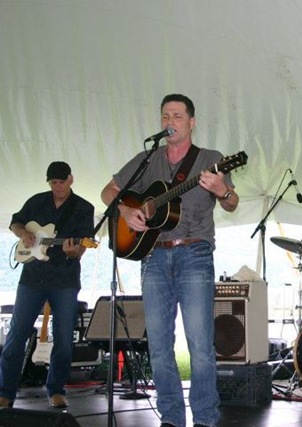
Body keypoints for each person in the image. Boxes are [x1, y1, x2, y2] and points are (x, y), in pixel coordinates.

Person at [101, 94, 239, 427]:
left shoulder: (210, 159)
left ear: (191, 122)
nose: (170, 121)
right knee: (159, 345)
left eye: (177, 116)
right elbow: (109, 191)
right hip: (153, 256)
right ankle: (172, 418)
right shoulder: (147, 160)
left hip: (194, 253)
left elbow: (232, 203)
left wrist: (222, 190)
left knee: (200, 344)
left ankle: (205, 418)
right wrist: (127, 211)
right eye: (165, 115)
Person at [0, 161, 94, 409]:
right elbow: (15, 222)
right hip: (32, 277)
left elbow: (83, 246)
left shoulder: (84, 208)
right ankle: (6, 392)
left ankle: (56, 390)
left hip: (65, 279)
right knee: (17, 335)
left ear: (71, 179)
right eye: (53, 182)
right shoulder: (36, 201)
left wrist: (74, 252)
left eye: (62, 182)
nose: (57, 186)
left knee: (63, 338)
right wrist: (23, 233)